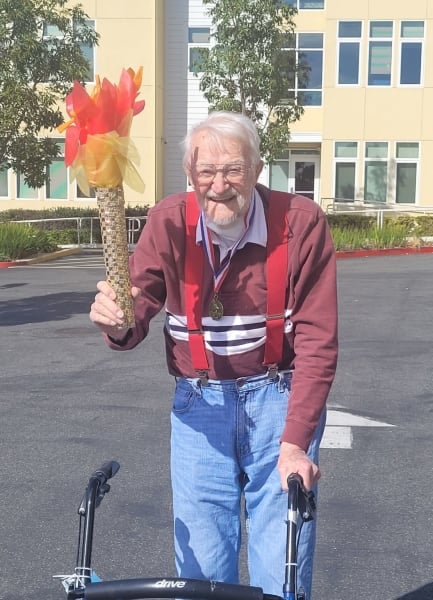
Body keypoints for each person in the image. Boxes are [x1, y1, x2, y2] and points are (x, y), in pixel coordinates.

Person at [89, 111, 338, 599]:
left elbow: (317, 343)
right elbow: (134, 315)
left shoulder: (300, 223)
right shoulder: (167, 224)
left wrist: (295, 443)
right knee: (200, 571)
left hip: (278, 401)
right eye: (206, 172)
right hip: (199, 406)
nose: (219, 185)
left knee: (282, 565)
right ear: (189, 175)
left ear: (258, 169)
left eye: (233, 170)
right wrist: (117, 322)